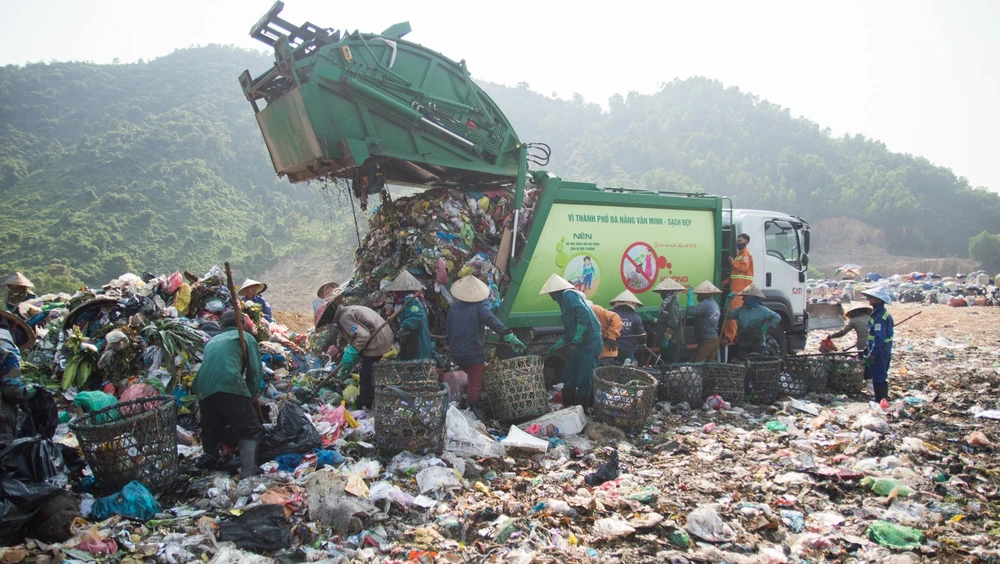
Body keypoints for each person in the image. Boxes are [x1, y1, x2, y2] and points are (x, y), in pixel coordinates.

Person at [191, 310, 264, 478]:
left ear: (222, 326)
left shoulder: (211, 341)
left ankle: (210, 465)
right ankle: (248, 469)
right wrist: (252, 394)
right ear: (243, 324)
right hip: (229, 384)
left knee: (211, 432)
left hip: (203, 388)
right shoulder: (245, 338)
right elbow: (254, 370)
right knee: (250, 430)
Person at [446, 275, 525, 408]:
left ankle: (465, 401)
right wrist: (508, 335)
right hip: (473, 354)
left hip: (456, 353)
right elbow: (492, 321)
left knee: (470, 377)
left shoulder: (453, 308)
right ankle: (470, 410)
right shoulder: (479, 306)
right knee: (475, 385)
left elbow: (448, 330)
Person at [324, 289, 394, 409]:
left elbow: (363, 335)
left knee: (366, 375)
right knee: (370, 370)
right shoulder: (348, 310)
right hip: (383, 338)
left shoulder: (344, 317)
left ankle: (364, 404)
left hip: (377, 342)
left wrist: (353, 350)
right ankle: (372, 399)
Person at [540, 274, 602, 409]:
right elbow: (568, 335)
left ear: (556, 291)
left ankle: (584, 409)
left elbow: (583, 312)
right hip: (582, 345)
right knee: (569, 373)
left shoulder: (568, 295)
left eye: (551, 293)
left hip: (591, 342)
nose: (551, 296)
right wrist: (556, 346)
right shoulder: (563, 304)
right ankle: (568, 406)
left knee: (584, 377)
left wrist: (580, 331)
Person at [383, 270, 433, 361]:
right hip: (413, 338)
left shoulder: (410, 300)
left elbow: (417, 315)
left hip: (417, 340)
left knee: (419, 362)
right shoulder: (409, 300)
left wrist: (404, 327)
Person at [725, 284, 780, 359]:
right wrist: (728, 301)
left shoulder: (762, 310)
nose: (744, 299)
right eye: (744, 297)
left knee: (756, 363)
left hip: (757, 344)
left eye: (748, 297)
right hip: (743, 343)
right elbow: (728, 315)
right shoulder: (741, 309)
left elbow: (777, 317)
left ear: (755, 298)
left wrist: (767, 326)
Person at [828, 303, 874, 394]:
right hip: (875, 345)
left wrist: (831, 336)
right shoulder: (872, 319)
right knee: (873, 365)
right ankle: (873, 385)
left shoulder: (854, 320)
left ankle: (870, 387)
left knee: (865, 365)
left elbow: (842, 333)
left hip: (862, 347)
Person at [721, 233, 755, 346]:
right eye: (737, 240)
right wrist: (724, 283)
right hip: (736, 289)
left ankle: (730, 337)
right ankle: (734, 336)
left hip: (740, 291)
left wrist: (732, 262)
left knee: (731, 314)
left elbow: (744, 268)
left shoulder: (746, 254)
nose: (738, 242)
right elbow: (735, 275)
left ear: (746, 242)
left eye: (740, 240)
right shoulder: (740, 255)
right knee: (731, 313)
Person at [862, 287, 894, 402]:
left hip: (880, 350)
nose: (869, 299)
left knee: (879, 375)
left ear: (878, 300)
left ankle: (881, 400)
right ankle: (881, 398)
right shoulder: (877, 314)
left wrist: (872, 354)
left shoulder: (880, 316)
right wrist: (867, 347)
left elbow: (879, 338)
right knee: (877, 374)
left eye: (871, 297)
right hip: (879, 349)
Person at [687, 280, 723, 362]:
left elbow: (690, 312)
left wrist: (690, 299)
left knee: (697, 362)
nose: (698, 296)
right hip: (713, 339)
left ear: (705, 294)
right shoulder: (714, 303)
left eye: (699, 294)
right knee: (709, 365)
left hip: (708, 340)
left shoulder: (706, 303)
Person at [653, 278, 686, 364]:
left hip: (671, 341)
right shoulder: (666, 304)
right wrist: (653, 319)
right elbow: (663, 321)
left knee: (671, 364)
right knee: (664, 363)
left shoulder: (673, 303)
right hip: (665, 339)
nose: (661, 294)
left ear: (667, 292)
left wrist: (666, 338)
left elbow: (673, 323)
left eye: (662, 292)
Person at [609, 290, 645, 365]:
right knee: (628, 372)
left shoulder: (609, 314)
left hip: (610, 349)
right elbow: (642, 335)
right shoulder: (636, 317)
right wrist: (643, 343)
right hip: (627, 350)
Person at [588, 300, 623, 366]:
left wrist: (612, 337)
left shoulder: (595, 309)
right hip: (593, 348)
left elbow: (615, 317)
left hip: (605, 349)